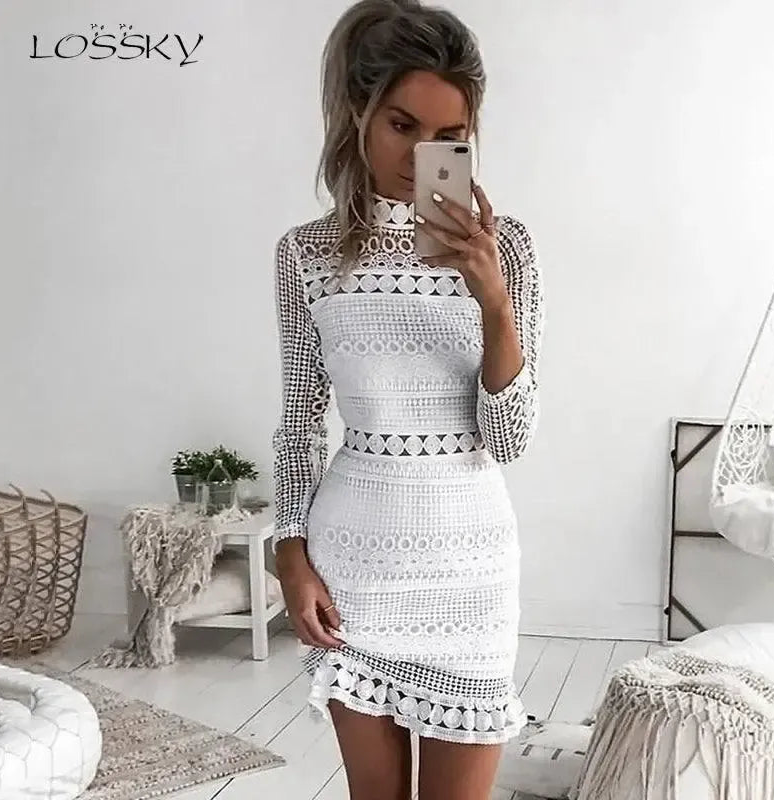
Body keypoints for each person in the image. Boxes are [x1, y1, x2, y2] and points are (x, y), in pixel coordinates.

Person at [271, 1, 545, 798]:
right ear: (356, 113)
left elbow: (510, 439)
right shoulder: (307, 253)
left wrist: (494, 302)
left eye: (448, 136)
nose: (423, 154)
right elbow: (299, 426)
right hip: (353, 570)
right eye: (402, 125)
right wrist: (290, 557)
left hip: (469, 573)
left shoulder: (507, 249)